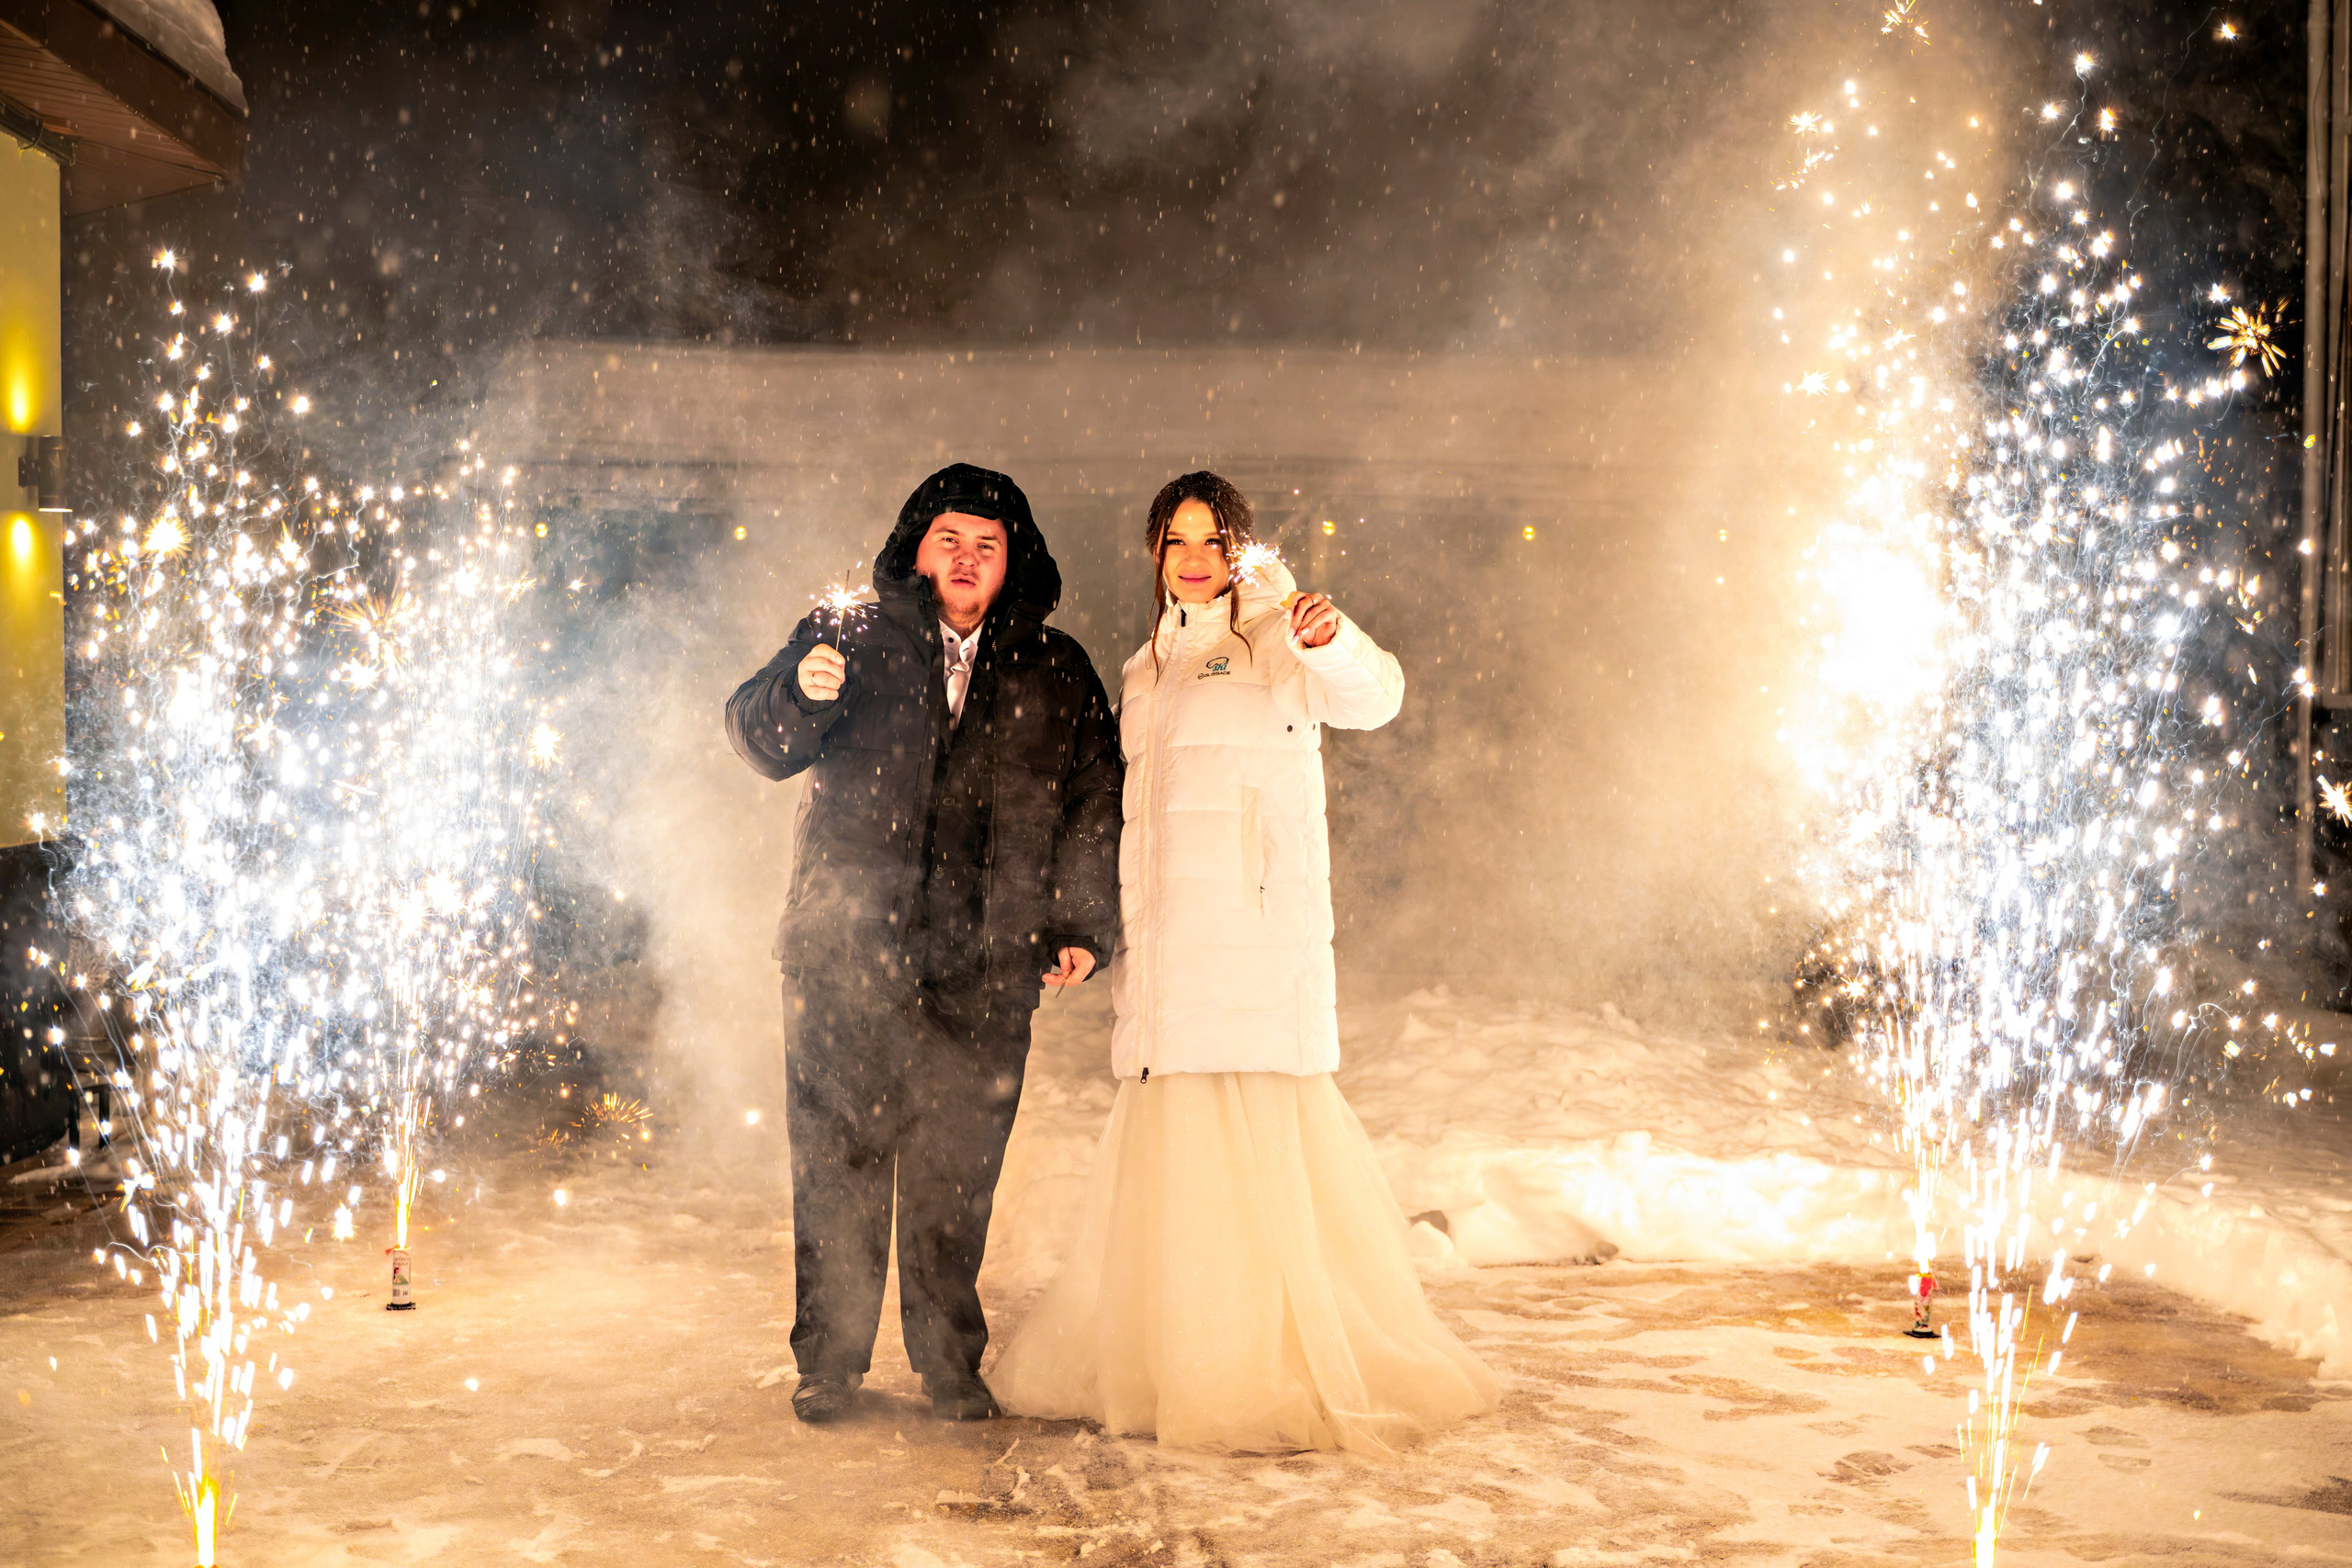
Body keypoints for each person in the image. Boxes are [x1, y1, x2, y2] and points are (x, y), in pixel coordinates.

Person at [986, 471, 1497, 1455]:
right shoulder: (1143, 667)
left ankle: (1261, 1367)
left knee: (1257, 1168)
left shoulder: (1271, 640)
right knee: (1175, 1172)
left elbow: (1373, 697)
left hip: (1253, 950)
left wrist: (1327, 637)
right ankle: (1171, 1359)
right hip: (1171, 961)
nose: (1191, 560)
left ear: (1237, 553)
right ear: (1154, 554)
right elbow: (1131, 820)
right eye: (1174, 542)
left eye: (1210, 543)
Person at [725, 464, 1122, 1425]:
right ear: (916, 547)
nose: (967, 558)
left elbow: (1093, 804)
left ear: (1011, 560)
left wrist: (1079, 926)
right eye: (950, 538)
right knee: (839, 1163)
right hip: (844, 951)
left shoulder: (1056, 668)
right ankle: (829, 1364)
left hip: (985, 963)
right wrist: (798, 691)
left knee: (958, 1172)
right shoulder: (846, 638)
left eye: (988, 544)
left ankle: (950, 1365)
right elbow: (758, 737)